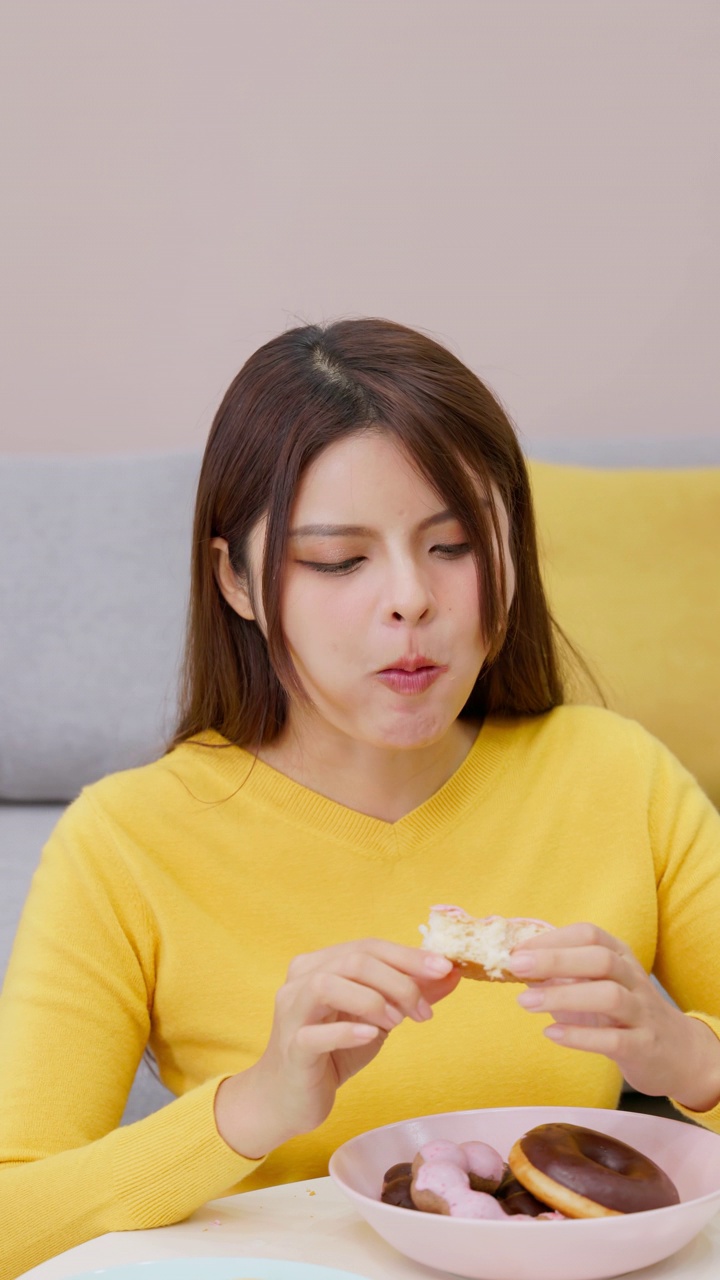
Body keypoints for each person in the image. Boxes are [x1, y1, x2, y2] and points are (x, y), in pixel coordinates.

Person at [2, 317, 720, 1277]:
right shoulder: (126, 839)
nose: (410, 600)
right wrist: (251, 1107)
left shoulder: (617, 776)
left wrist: (688, 1062)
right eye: (340, 560)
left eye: (453, 545)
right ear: (238, 582)